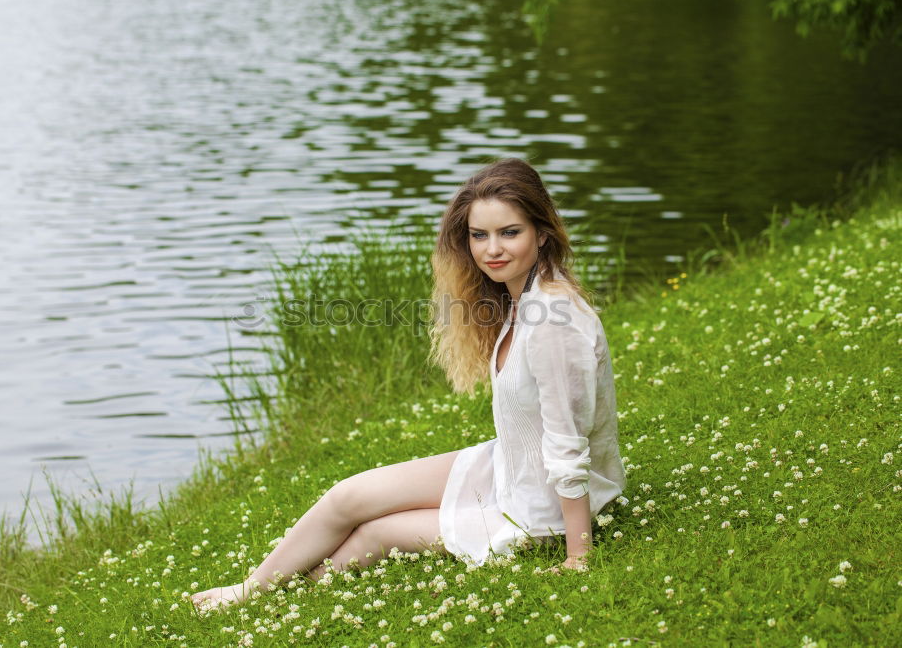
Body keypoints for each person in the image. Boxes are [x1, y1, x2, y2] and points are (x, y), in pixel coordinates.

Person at [191, 157, 626, 611]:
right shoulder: (522, 298)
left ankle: (275, 601)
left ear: (542, 232)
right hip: (509, 468)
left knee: (374, 534)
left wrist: (578, 554)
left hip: (540, 508)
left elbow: (566, 442)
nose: (491, 249)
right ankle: (250, 588)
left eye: (509, 232)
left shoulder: (555, 320)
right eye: (479, 235)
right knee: (348, 497)